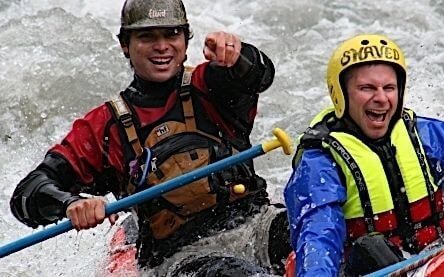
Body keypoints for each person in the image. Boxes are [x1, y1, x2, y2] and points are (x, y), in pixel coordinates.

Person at [10, 0, 290, 275]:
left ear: (185, 40)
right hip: (182, 257)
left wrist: (238, 53)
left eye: (172, 34)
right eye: (147, 36)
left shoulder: (210, 84)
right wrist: (70, 204)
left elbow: (259, 75)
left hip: (258, 223)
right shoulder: (105, 126)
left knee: (319, 234)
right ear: (124, 45)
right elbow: (28, 193)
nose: (162, 46)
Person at [283, 34, 444, 276]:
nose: (381, 98)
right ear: (341, 95)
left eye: (389, 87)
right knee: (373, 249)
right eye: (367, 88)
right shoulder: (320, 163)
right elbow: (319, 239)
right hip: (370, 269)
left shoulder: (428, 136)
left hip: (440, 256)